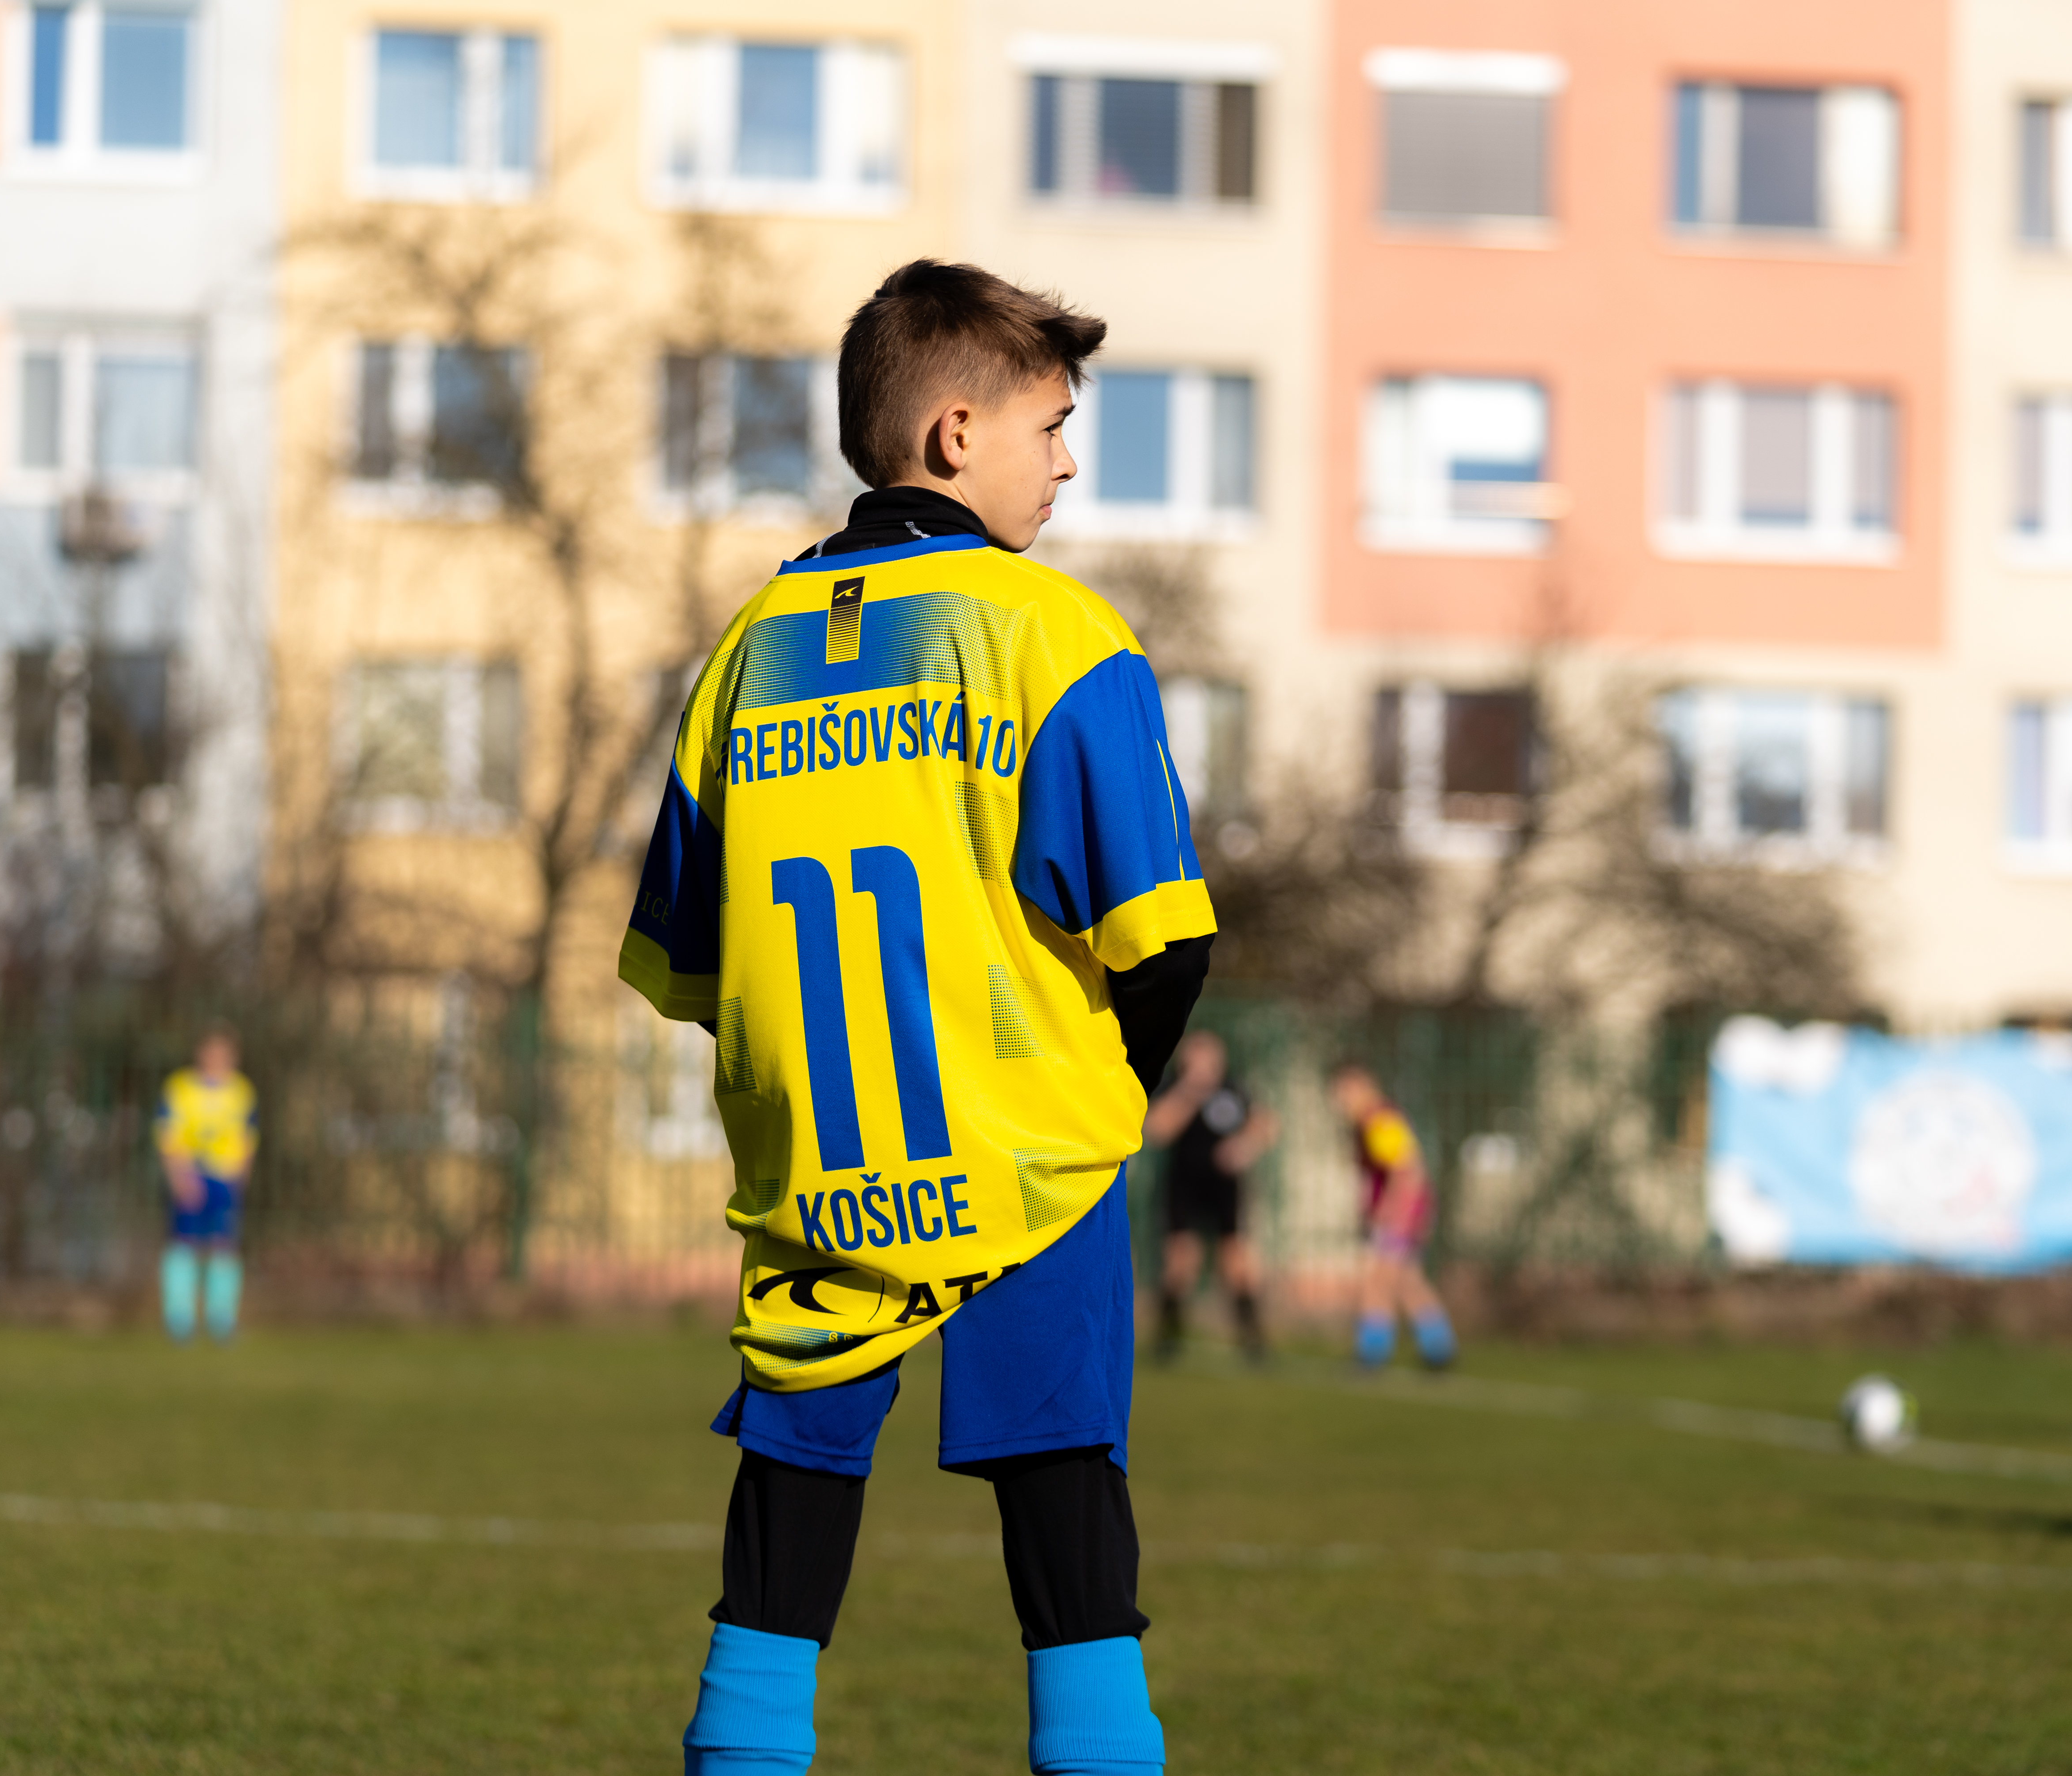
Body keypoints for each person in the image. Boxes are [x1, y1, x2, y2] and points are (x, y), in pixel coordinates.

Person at [620, 260, 1213, 1776]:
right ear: (956, 434)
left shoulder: (744, 658)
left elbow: (689, 967)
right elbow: (1164, 943)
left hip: (824, 1181)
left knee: (780, 1547)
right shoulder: (1054, 637)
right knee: (1070, 1526)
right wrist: (1112, 1097)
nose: (1067, 462)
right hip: (1026, 1166)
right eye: (1052, 427)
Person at [1142, 1030, 1278, 1362]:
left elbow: (1267, 1124)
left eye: (1212, 1059)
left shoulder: (1233, 1089)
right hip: (1184, 1185)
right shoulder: (1175, 1087)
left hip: (1225, 1188)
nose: (1207, 1066)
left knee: (1236, 1261)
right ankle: (1168, 1340)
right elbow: (1158, 1130)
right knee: (1181, 1261)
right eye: (1198, 1059)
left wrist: (1244, 1147)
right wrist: (1190, 1093)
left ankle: (1253, 1342)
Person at [1324, 1061, 1455, 1371]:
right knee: (1408, 1282)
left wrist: (1388, 1213)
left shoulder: (1379, 1120)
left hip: (1400, 1213)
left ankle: (1372, 1354)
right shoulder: (1371, 1122)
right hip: (1407, 1211)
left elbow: (1406, 1171)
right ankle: (1440, 1349)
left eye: (1342, 1093)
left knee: (1376, 1281)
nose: (1339, 1102)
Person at [154, 1024, 255, 1344]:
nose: (217, 1058)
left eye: (223, 1052)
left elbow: (247, 1138)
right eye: (212, 1051)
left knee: (224, 1248)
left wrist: (241, 1178)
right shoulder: (180, 1088)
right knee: (184, 1246)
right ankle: (179, 1319)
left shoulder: (242, 1091)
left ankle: (221, 1319)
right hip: (191, 1175)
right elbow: (168, 1134)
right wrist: (178, 1176)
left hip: (225, 1178)